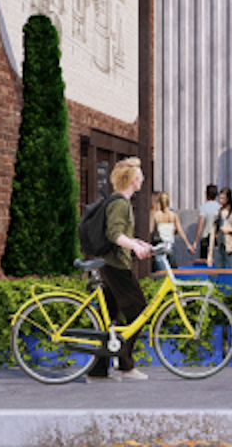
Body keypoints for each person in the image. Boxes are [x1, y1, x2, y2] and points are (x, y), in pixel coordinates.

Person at [86, 157, 153, 381]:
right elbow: (114, 234)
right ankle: (124, 365)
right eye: (141, 175)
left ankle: (98, 371)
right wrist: (133, 245)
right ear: (133, 180)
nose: (143, 179)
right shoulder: (120, 203)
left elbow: (120, 233)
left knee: (109, 318)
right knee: (138, 310)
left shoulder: (120, 201)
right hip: (116, 267)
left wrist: (139, 243)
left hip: (112, 264)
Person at [149, 191, 193, 272]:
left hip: (160, 245)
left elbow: (150, 230)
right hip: (170, 245)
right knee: (172, 271)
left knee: (161, 273)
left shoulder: (156, 215)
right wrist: (188, 245)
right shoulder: (174, 215)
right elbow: (180, 231)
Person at [207, 187, 232, 269]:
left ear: (228, 199)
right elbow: (212, 232)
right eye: (220, 198)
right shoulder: (217, 213)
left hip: (230, 246)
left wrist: (230, 230)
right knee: (219, 272)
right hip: (218, 247)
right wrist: (210, 253)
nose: (220, 200)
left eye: (223, 198)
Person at [194, 184, 220, 262]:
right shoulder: (220, 207)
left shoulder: (204, 207)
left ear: (207, 194)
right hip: (217, 239)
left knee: (204, 262)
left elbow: (200, 225)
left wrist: (195, 241)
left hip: (206, 238)